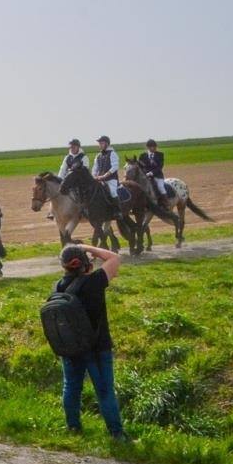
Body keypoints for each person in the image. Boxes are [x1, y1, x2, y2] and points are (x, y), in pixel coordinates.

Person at [53, 243, 128, 443]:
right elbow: (114, 258)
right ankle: (117, 434)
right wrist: (86, 247)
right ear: (85, 264)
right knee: (104, 390)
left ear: (63, 266)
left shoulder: (58, 286)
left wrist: (81, 257)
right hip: (97, 348)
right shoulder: (94, 282)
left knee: (71, 387)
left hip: (70, 348)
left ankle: (73, 428)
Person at [91, 135, 122, 208]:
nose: (100, 145)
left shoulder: (112, 153)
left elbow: (115, 166)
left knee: (113, 192)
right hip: (99, 179)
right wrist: (94, 176)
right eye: (99, 143)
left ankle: (117, 210)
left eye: (102, 143)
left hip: (111, 179)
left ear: (107, 144)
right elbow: (95, 168)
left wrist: (105, 175)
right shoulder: (98, 155)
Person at [135, 139, 169, 205]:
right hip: (145, 176)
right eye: (152, 147)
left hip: (157, 176)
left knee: (160, 187)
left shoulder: (160, 155)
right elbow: (140, 167)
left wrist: (151, 173)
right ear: (148, 147)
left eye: (155, 147)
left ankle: (165, 202)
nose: (154, 148)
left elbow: (160, 167)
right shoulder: (142, 156)